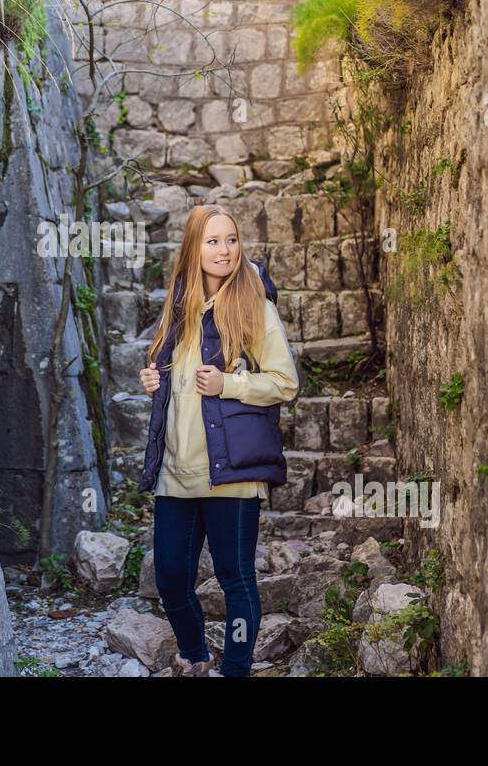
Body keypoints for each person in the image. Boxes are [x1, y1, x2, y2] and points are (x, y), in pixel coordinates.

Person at [138, 204, 298, 678]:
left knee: (236, 579)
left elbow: (285, 382)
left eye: (231, 240)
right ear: (193, 247)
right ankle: (195, 656)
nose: (224, 250)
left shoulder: (254, 305)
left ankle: (235, 668)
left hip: (232, 471)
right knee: (170, 577)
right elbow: (178, 375)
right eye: (212, 241)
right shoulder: (179, 306)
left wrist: (229, 384)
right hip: (177, 469)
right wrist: (155, 380)